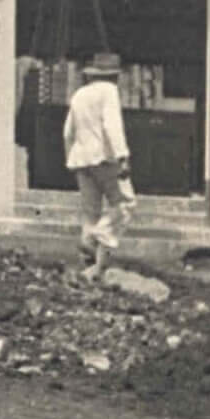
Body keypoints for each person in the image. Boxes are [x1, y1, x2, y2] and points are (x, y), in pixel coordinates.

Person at [61, 50, 132, 273]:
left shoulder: (79, 95)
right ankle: (96, 237)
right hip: (103, 157)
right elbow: (112, 125)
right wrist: (122, 156)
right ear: (114, 76)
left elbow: (67, 132)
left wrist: (70, 159)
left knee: (90, 211)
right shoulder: (109, 91)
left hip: (81, 159)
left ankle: (90, 268)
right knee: (125, 205)